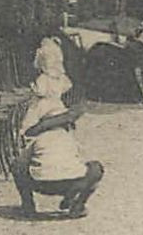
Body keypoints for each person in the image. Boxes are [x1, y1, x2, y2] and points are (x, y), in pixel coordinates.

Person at [15, 70, 104, 218]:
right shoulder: (67, 138)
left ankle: (28, 205)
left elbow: (21, 156)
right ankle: (77, 203)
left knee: (18, 164)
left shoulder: (38, 137)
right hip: (71, 183)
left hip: (41, 184)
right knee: (95, 167)